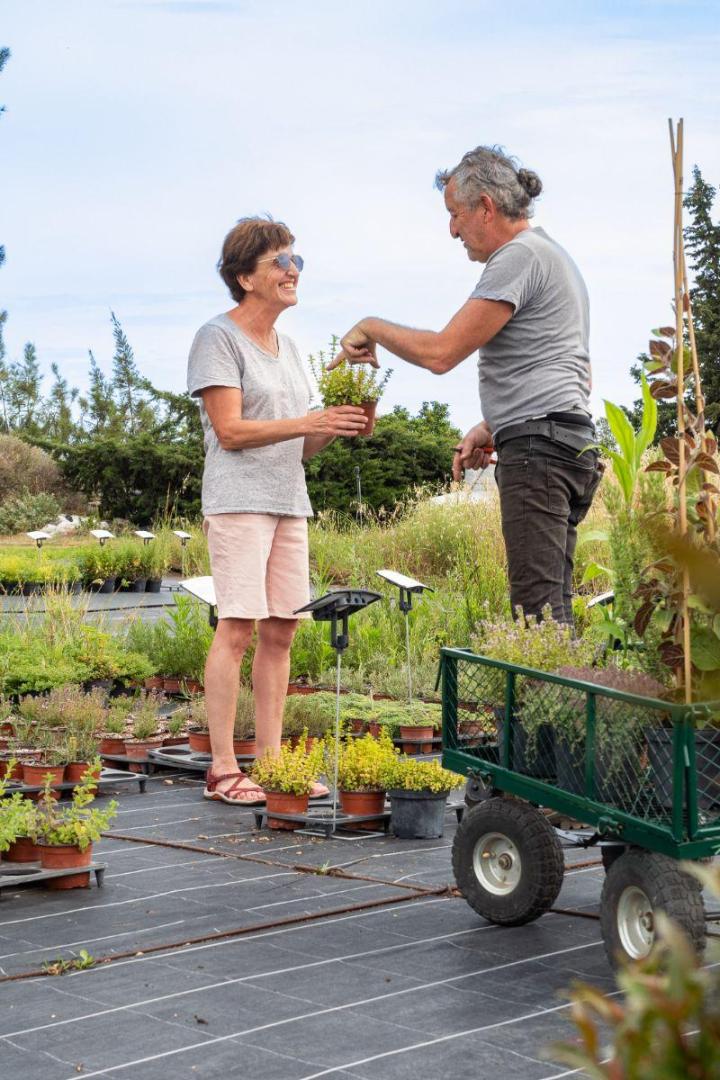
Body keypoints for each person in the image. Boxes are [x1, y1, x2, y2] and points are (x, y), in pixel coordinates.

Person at [331, 145, 603, 625]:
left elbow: (442, 353)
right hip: (568, 442)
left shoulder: (518, 256)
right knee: (552, 612)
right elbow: (572, 374)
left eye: (455, 214)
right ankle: (560, 676)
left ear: (486, 208)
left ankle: (541, 678)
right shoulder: (553, 257)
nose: (452, 230)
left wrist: (371, 326)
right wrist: (492, 425)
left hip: (539, 454)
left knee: (535, 619)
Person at [187, 216, 367, 804]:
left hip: (289, 500)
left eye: (296, 260)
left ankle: (270, 763)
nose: (293, 271)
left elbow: (301, 445)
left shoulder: (289, 348)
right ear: (245, 277)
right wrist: (308, 420)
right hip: (238, 501)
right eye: (280, 262)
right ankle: (221, 769)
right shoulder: (217, 338)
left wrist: (334, 424)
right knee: (237, 626)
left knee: (283, 629)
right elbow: (231, 431)